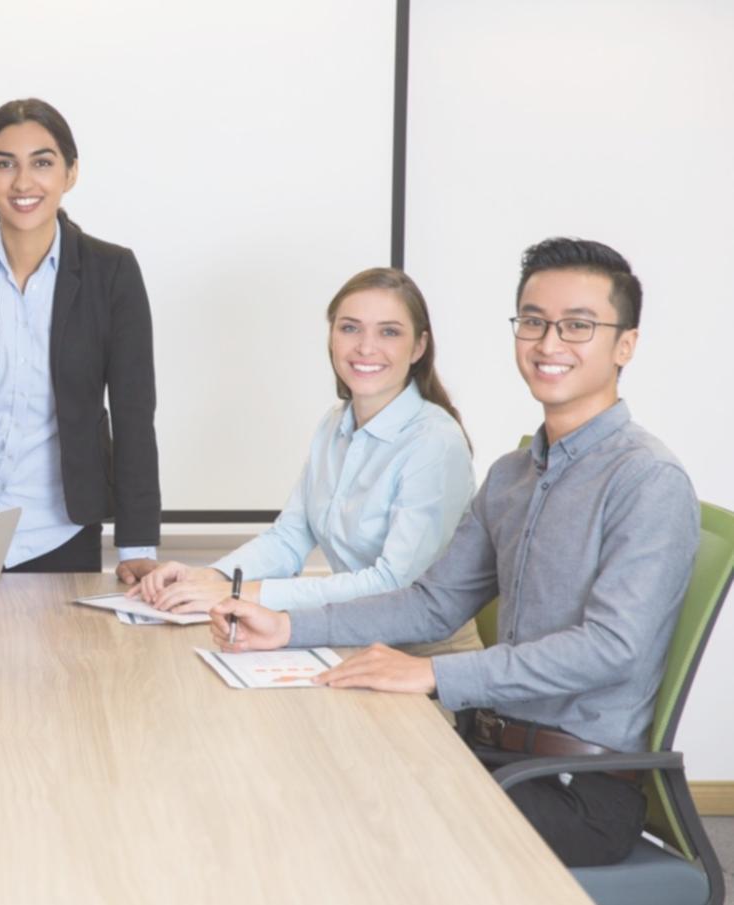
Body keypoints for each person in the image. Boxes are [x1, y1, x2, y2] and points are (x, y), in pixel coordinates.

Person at [211, 238, 699, 867]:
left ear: (624, 345)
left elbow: (611, 647)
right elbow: (432, 604)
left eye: (578, 325)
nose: (549, 343)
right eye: (533, 321)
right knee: (300, 769)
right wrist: (285, 627)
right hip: (494, 751)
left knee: (355, 822)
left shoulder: (647, 479)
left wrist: (437, 675)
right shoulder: (512, 475)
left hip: (576, 788)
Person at [130, 268, 481, 654]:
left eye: (389, 332)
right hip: (352, 642)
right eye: (350, 328)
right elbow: (290, 537)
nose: (366, 347)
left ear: (418, 347)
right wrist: (211, 576)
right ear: (332, 337)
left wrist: (242, 593)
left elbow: (393, 584)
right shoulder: (334, 425)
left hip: (421, 661)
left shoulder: (434, 443)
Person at [0, 98, 160, 579]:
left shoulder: (112, 273)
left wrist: (137, 546)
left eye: (42, 163)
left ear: (71, 172)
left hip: (61, 529)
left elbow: (134, 415)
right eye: (5, 164)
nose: (23, 183)